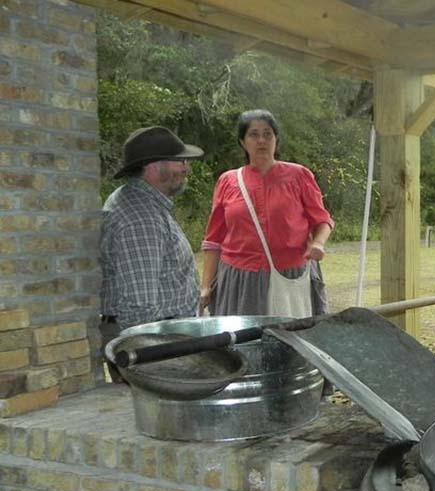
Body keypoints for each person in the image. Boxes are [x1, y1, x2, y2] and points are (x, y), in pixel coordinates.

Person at [200, 109, 334, 317]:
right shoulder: (228, 181)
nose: (261, 140)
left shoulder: (299, 176)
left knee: (294, 341)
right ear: (243, 143)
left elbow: (322, 220)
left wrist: (318, 243)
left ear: (276, 140)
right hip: (240, 281)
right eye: (253, 134)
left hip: (290, 277)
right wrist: (206, 286)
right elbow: (213, 240)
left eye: (267, 134)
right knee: (243, 343)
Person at [100, 126, 205, 379]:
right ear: (153, 167)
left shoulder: (143, 205)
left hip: (160, 344)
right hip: (153, 351)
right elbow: (140, 307)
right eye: (180, 161)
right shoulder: (140, 218)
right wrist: (154, 367)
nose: (186, 168)